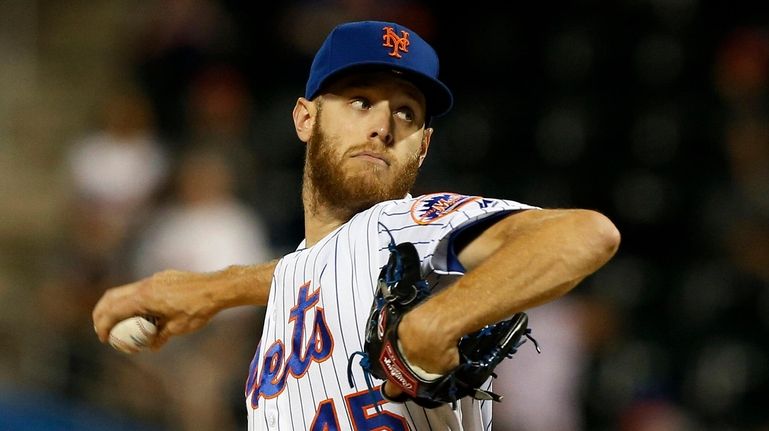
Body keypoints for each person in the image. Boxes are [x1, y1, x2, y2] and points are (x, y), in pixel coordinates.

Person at [93, 20, 621, 430]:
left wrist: (434, 324)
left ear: (425, 146)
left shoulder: (413, 225)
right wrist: (209, 290)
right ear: (305, 118)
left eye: (408, 114)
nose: (383, 127)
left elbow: (585, 234)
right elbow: (320, 267)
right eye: (360, 100)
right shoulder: (315, 273)